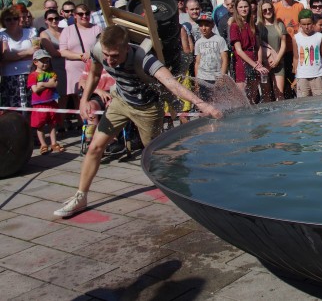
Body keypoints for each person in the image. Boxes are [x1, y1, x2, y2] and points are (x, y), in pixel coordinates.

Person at [53, 25, 222, 218]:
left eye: (115, 56)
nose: (110, 61)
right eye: (107, 55)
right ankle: (80, 196)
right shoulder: (98, 50)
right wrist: (84, 99)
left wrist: (203, 105)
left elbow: (171, 83)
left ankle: (185, 180)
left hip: (147, 109)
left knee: (155, 156)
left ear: (127, 48)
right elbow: (94, 73)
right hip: (120, 102)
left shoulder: (144, 59)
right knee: (95, 148)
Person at [59, 4, 102, 123]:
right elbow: (63, 52)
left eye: (87, 13)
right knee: (78, 96)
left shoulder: (97, 28)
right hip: (74, 68)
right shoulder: (67, 30)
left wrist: (91, 54)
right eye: (80, 14)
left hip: (92, 68)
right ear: (75, 15)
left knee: (91, 95)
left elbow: (102, 46)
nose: (84, 16)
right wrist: (81, 56)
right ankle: (83, 123)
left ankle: (90, 123)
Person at [28, 49, 64, 154]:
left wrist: (42, 84)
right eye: (42, 61)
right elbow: (35, 89)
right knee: (40, 125)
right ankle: (43, 144)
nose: (45, 63)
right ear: (35, 62)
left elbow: (55, 84)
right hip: (39, 104)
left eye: (47, 61)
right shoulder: (33, 75)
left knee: (53, 123)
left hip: (51, 102)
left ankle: (54, 142)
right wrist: (48, 83)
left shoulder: (52, 73)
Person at [194, 13, 229, 101]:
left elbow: (225, 59)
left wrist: (222, 76)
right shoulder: (198, 42)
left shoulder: (219, 40)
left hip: (216, 77)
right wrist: (197, 79)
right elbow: (197, 62)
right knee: (206, 101)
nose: (203, 28)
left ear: (212, 25)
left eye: (206, 25)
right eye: (201, 25)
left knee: (218, 100)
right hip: (203, 77)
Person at [257, 0, 287, 101]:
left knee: (279, 94)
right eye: (264, 10)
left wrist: (277, 59)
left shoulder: (279, 25)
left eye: (270, 9)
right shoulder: (258, 27)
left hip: (278, 63)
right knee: (266, 95)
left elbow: (283, 44)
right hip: (264, 64)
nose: (268, 12)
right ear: (261, 12)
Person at [292, 9, 322, 97]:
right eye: (303, 24)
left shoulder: (319, 36)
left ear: (313, 23)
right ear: (299, 24)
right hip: (302, 76)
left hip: (317, 75)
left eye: (309, 24)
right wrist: (296, 75)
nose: (306, 27)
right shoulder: (296, 38)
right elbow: (296, 57)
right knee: (303, 103)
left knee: (320, 102)